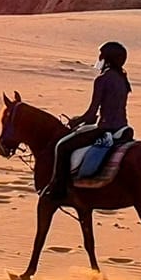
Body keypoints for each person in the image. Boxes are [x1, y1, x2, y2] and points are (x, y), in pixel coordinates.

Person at [40, 41, 132, 205]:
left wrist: (77, 120)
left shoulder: (102, 79)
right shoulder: (122, 79)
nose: (99, 58)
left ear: (107, 58)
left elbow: (91, 114)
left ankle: (58, 189)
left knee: (62, 147)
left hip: (106, 129)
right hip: (123, 128)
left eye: (101, 55)